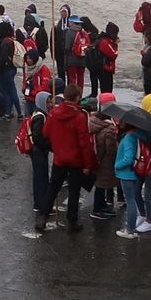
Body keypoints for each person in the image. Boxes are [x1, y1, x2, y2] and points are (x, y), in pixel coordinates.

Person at [34, 85, 95, 232]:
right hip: (75, 161)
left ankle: (43, 217)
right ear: (77, 97)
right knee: (74, 192)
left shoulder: (54, 114)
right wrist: (88, 164)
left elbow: (46, 132)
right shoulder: (79, 117)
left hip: (59, 158)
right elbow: (84, 143)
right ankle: (72, 222)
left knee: (52, 189)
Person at [113, 123, 148, 239]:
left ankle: (130, 230)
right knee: (132, 200)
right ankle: (131, 228)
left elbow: (129, 157)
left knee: (130, 201)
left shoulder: (129, 137)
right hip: (135, 172)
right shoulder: (139, 134)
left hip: (127, 173)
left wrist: (117, 165)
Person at [87, 99, 118, 220]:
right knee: (101, 186)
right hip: (106, 162)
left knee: (99, 185)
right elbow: (111, 149)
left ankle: (102, 206)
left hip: (97, 158)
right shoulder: (109, 129)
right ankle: (97, 210)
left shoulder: (93, 122)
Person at [28, 92, 52, 214]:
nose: (50, 104)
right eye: (47, 102)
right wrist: (49, 145)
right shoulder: (40, 117)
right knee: (41, 178)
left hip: (38, 151)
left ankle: (39, 203)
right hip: (39, 151)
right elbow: (37, 137)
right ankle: (42, 205)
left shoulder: (38, 114)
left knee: (39, 177)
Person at [53, 5, 72, 80]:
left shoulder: (71, 23)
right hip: (59, 50)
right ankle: (62, 83)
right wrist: (53, 51)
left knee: (69, 70)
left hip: (68, 51)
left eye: (65, 12)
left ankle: (70, 85)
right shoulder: (57, 24)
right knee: (60, 69)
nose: (63, 13)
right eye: (62, 12)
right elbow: (53, 38)